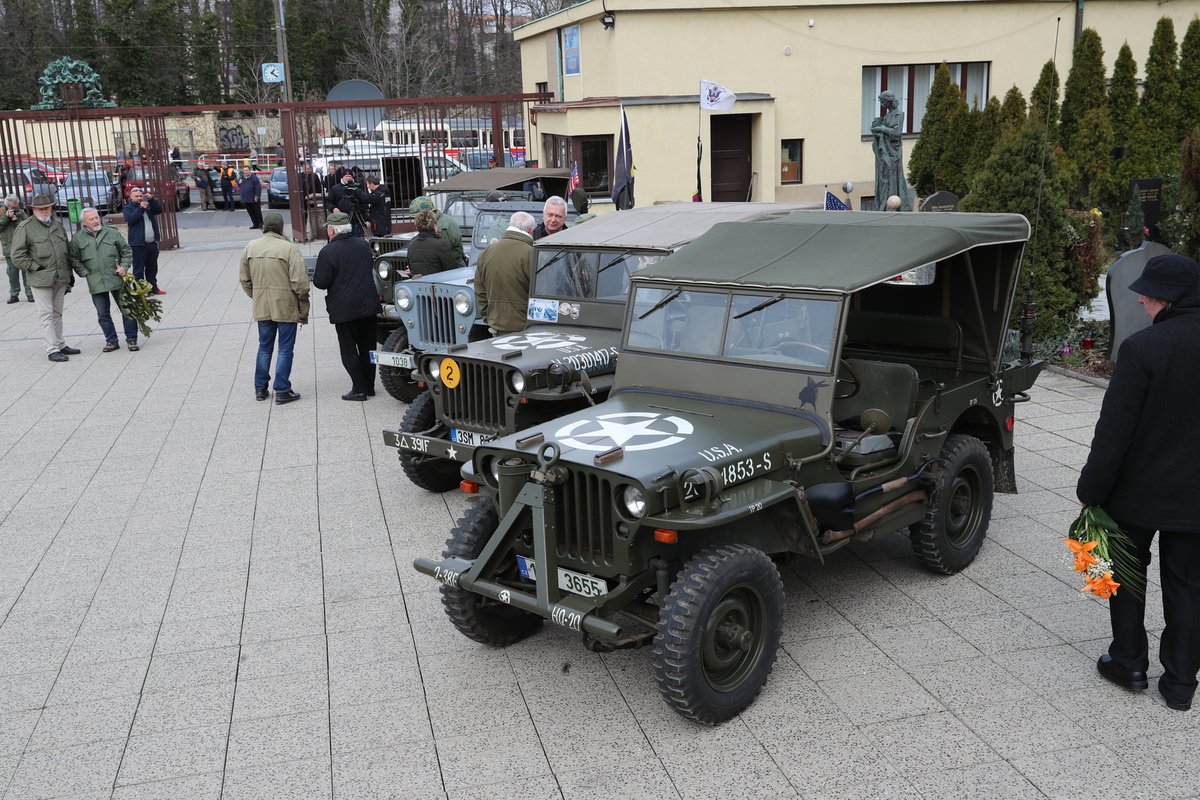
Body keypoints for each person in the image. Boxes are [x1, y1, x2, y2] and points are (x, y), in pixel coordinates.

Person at [1077, 253, 1200, 713]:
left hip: (1136, 494)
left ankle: (1128, 662)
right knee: (1188, 582)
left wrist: (1090, 491)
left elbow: (1114, 433)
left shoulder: (1143, 349)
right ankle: (1181, 682)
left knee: (1125, 575)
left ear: (1171, 299)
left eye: (1151, 294)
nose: (1144, 300)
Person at [239, 213, 309, 404]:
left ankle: (260, 388)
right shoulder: (289, 249)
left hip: (262, 305)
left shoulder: (250, 247)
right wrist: (302, 299)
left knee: (264, 347)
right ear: (281, 228)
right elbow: (300, 283)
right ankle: (282, 389)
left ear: (264, 228)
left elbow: (244, 280)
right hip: (285, 305)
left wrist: (257, 295)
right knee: (285, 348)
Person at [311, 210, 379, 401]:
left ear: (332, 231)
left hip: (344, 308)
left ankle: (359, 389)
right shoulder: (362, 244)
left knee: (349, 349)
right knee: (368, 347)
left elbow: (321, 282)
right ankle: (370, 385)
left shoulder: (328, 251)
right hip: (367, 304)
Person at [10, 195, 77, 362]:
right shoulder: (25, 227)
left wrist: (69, 275)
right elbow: (17, 256)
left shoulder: (58, 226)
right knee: (46, 314)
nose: (45, 211)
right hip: (41, 279)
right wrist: (35, 267)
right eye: (41, 208)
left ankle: (60, 344)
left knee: (57, 313)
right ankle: (52, 349)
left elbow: (65, 252)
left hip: (60, 278)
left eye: (47, 207)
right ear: (33, 210)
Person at [69, 207, 139, 353]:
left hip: (116, 277)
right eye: (91, 219)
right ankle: (111, 340)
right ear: (84, 223)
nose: (95, 221)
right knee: (102, 313)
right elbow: (74, 259)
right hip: (96, 280)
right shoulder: (77, 239)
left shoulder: (112, 233)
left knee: (127, 310)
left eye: (96, 217)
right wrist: (85, 273)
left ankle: (132, 339)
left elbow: (126, 251)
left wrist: (124, 267)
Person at [474, 210, 535, 335]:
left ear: (509, 226)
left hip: (496, 326)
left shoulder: (486, 253)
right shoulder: (532, 253)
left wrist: (490, 317)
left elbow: (480, 291)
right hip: (525, 328)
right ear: (530, 231)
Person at [123, 186, 166, 296]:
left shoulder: (148, 205)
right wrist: (141, 208)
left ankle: (153, 287)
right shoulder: (128, 208)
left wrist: (151, 199)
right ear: (131, 197)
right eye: (136, 196)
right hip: (138, 244)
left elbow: (159, 210)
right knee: (138, 269)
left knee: (152, 268)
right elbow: (131, 218)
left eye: (140, 196)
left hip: (151, 243)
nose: (139, 198)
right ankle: (140, 289)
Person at [870, 91, 906, 210]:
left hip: (893, 153)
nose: (881, 104)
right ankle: (883, 204)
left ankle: (893, 205)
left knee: (891, 177)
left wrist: (882, 128)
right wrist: (877, 127)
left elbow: (896, 133)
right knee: (883, 177)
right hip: (884, 151)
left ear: (889, 101)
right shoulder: (887, 115)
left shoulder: (899, 114)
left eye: (883, 102)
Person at [410, 196, 465, 267]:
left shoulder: (441, 227)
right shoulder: (439, 221)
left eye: (417, 217)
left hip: (451, 269)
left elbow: (441, 253)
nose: (416, 219)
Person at [1, 195, 33, 303]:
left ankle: (30, 293)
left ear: (17, 204)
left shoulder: (21, 213)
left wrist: (16, 220)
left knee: (26, 272)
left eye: (14, 207)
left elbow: (29, 226)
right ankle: (14, 294)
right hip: (9, 249)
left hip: (23, 248)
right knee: (12, 273)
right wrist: (6, 217)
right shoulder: (2, 213)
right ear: (6, 206)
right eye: (10, 207)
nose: (12, 209)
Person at [406, 210, 457, 277]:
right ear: (434, 226)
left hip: (418, 284)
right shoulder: (441, 245)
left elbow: (412, 268)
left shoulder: (411, 244)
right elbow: (453, 270)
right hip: (437, 284)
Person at [240, 166, 263, 230]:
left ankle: (261, 224)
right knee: (251, 212)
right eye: (244, 170)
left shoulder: (254, 178)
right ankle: (255, 224)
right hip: (246, 198)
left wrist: (257, 196)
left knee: (257, 212)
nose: (245, 172)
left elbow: (258, 188)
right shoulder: (242, 177)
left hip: (253, 198)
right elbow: (238, 184)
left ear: (249, 171)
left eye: (247, 170)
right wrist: (239, 182)